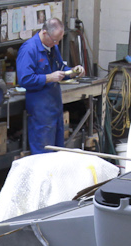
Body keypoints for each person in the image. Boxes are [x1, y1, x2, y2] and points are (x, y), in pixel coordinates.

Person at [16, 18, 84, 155]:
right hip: (40, 112)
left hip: (55, 109)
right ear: (45, 33)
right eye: (54, 40)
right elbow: (24, 79)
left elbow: (60, 68)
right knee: (43, 155)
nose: (57, 43)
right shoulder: (29, 49)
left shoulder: (53, 48)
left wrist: (72, 72)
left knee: (57, 154)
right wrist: (48, 78)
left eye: (59, 40)